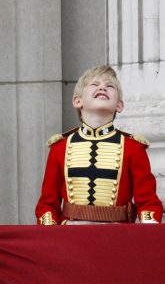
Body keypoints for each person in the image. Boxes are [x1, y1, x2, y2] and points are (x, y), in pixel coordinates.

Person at [35, 65, 163, 225]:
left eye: (110, 86)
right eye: (94, 85)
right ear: (77, 101)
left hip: (116, 238)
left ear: (119, 105)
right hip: (69, 238)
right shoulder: (60, 147)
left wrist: (147, 232)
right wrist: (51, 235)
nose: (102, 87)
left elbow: (148, 203)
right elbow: (47, 204)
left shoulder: (133, 148)